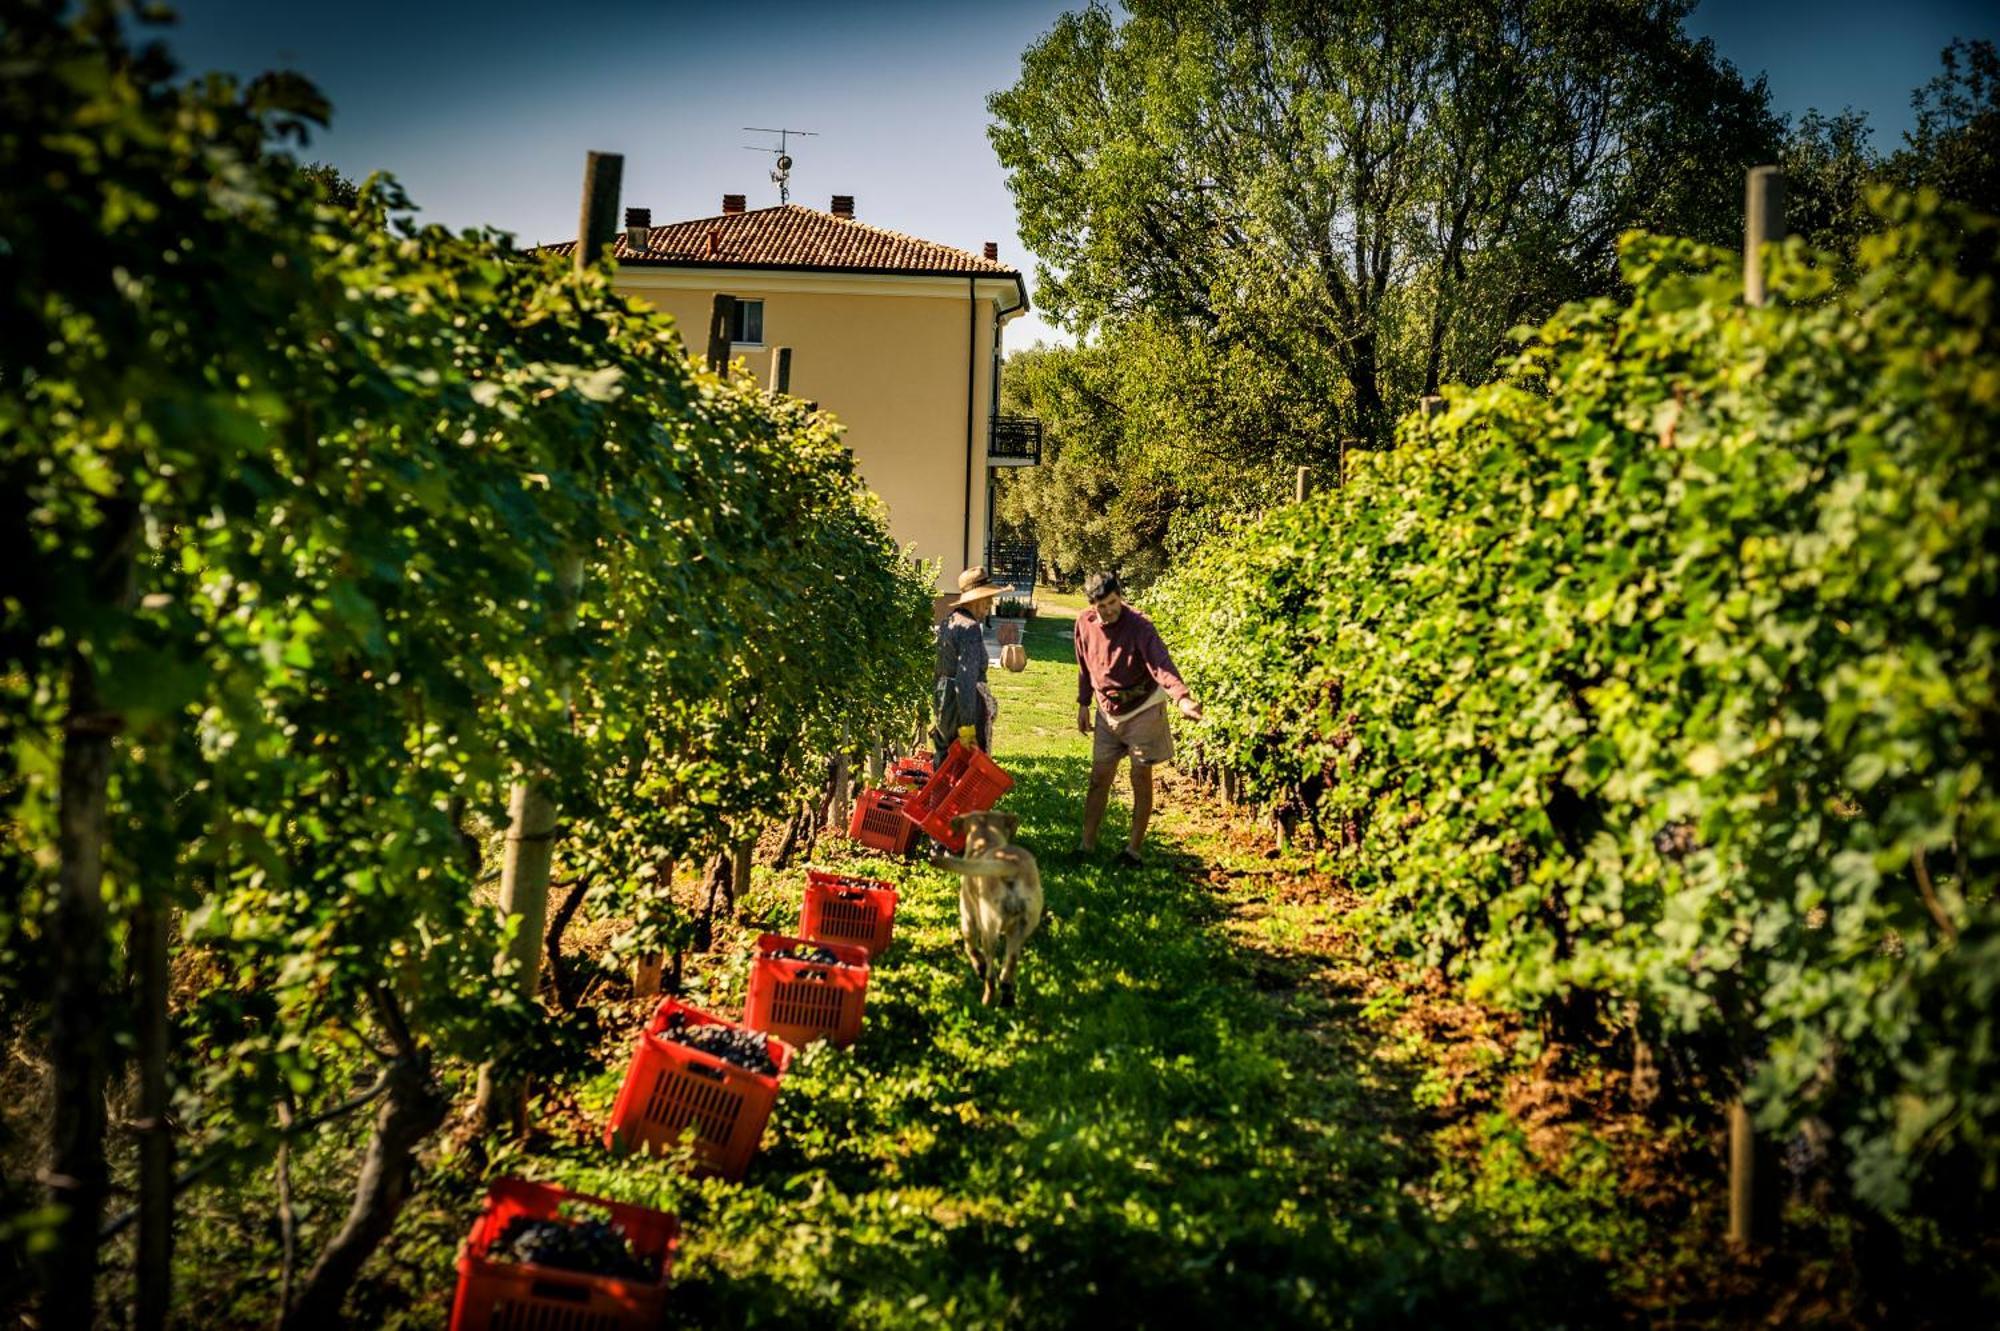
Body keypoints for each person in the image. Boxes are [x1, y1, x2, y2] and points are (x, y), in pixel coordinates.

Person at [1074, 571, 1202, 865]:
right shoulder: (1084, 622)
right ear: (1092, 606)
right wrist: (1083, 702)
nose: (1108, 611)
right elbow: (1083, 663)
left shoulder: (1140, 625)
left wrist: (1181, 697)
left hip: (1143, 707)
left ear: (1120, 596)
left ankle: (1133, 850)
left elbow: (1161, 663)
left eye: (1112, 602)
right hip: (1107, 710)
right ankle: (1086, 845)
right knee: (1099, 777)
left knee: (1139, 777)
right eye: (1101, 606)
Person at [932, 566, 1005, 762]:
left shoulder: (949, 621)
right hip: (962, 707)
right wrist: (968, 727)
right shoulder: (970, 629)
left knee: (945, 762)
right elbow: (965, 681)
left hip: (943, 702)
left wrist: (938, 708)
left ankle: (939, 795)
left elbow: (938, 671)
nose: (990, 602)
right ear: (976, 599)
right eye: (988, 597)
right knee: (968, 767)